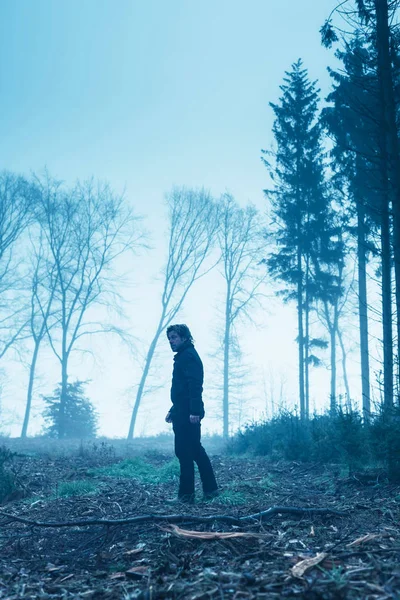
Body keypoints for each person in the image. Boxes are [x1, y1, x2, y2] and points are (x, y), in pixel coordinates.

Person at [165, 324, 218, 503]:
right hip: (183, 412)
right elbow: (181, 390)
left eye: (174, 337)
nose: (171, 341)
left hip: (189, 414)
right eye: (169, 338)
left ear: (185, 338)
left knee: (186, 452)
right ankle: (210, 491)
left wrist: (195, 411)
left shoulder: (189, 357)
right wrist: (173, 410)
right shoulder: (183, 357)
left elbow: (195, 386)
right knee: (194, 450)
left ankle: (187, 496)